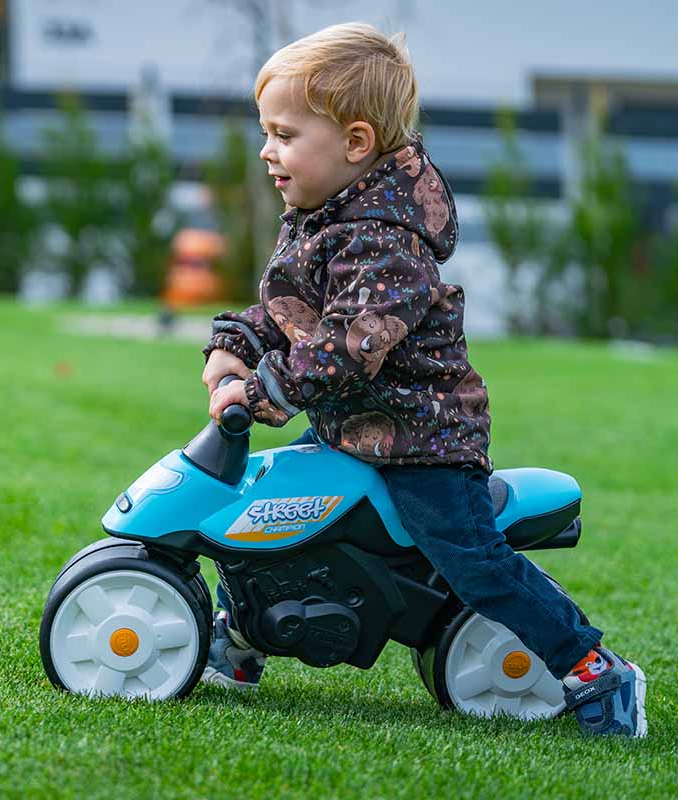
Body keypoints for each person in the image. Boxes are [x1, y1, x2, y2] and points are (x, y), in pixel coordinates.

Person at [199, 22, 647, 737]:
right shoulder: (324, 216)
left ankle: (593, 670)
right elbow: (292, 307)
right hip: (356, 428)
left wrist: (263, 391)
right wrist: (237, 340)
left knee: (473, 564)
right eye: (267, 132)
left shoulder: (383, 239)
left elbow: (349, 342)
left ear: (354, 143)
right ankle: (244, 636)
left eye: (284, 134)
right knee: (274, 513)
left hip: (423, 439)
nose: (266, 149)